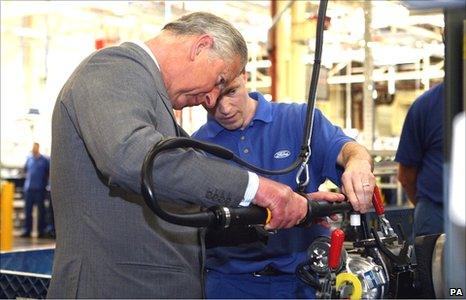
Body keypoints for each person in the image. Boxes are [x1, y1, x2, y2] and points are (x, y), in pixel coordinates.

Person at [49, 12, 314, 298]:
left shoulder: (152, 99)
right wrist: (258, 189)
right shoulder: (114, 67)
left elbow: (182, 206)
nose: (211, 99)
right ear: (200, 47)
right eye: (219, 80)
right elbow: (130, 157)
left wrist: (299, 206)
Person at [192, 71, 375, 299]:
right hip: (229, 285)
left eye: (231, 92)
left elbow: (346, 149)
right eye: (211, 100)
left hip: (305, 281)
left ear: (244, 76)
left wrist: (358, 162)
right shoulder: (196, 148)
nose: (225, 108)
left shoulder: (299, 120)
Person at [396, 82, 444, 238]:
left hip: (434, 213)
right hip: (436, 216)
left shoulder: (426, 104)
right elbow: (406, 175)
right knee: (430, 260)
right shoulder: (427, 105)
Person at [21, 142, 50, 238]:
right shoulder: (29, 159)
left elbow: (48, 173)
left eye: (35, 147)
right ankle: (27, 230)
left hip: (40, 189)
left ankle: (41, 231)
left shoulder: (44, 160)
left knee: (41, 212)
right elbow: (25, 171)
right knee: (28, 211)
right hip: (29, 189)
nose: (34, 149)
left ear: (38, 148)